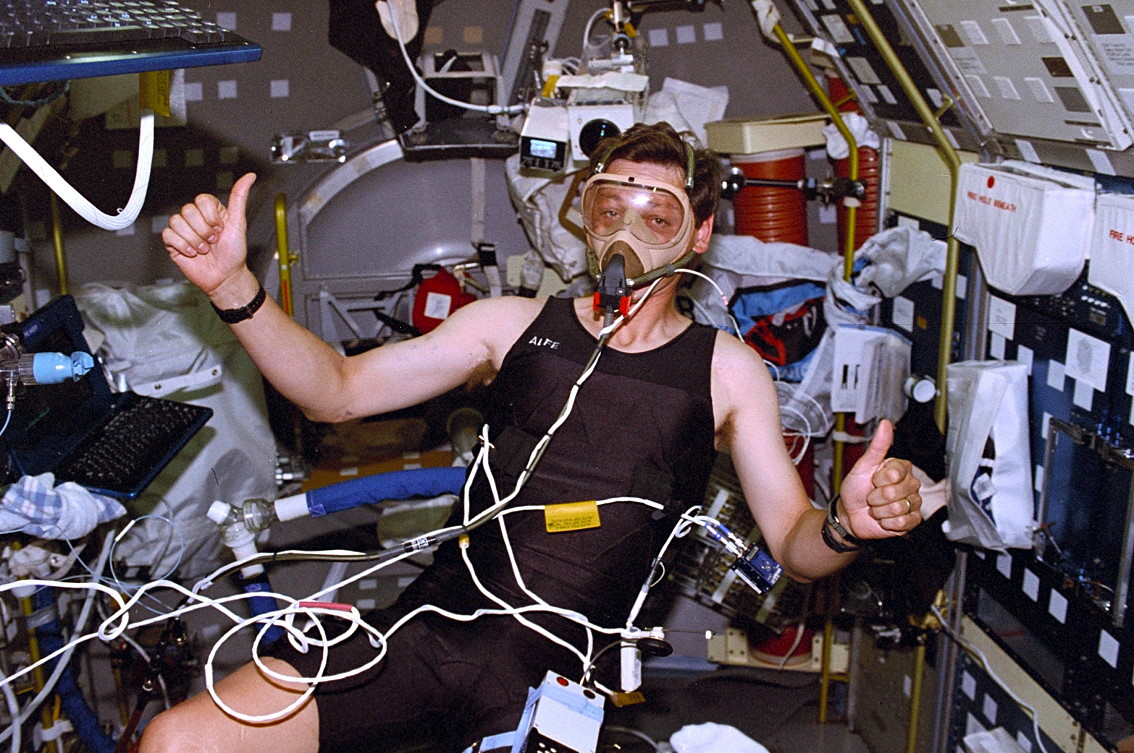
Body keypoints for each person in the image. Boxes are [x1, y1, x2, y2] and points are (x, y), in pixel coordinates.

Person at [142, 122, 923, 753]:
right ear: (587, 218)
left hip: (552, 680)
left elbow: (793, 542)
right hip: (429, 630)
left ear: (698, 235)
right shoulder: (509, 324)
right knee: (178, 739)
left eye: (659, 217)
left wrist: (846, 524)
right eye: (611, 208)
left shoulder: (727, 372)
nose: (630, 233)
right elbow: (335, 392)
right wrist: (233, 287)